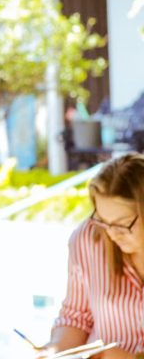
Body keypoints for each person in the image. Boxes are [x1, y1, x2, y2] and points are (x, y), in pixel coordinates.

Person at [39, 154, 144, 359]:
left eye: (123, 224)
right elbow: (76, 318)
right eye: (103, 221)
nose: (112, 234)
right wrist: (55, 351)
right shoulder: (88, 238)